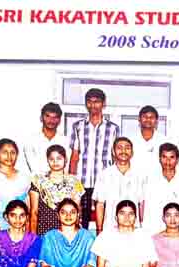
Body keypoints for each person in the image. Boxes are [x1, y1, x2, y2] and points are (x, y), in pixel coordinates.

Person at [69, 88, 121, 229]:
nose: (93, 105)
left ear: (103, 104)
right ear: (86, 104)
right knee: (80, 220)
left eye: (97, 101)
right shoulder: (78, 126)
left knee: (105, 220)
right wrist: (71, 182)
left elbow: (116, 156)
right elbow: (74, 156)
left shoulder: (113, 128)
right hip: (82, 182)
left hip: (104, 180)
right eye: (90, 102)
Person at [28, 145, 84, 236]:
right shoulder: (38, 181)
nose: (55, 162)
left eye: (59, 158)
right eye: (51, 159)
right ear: (47, 161)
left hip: (67, 234)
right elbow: (34, 212)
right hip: (43, 233)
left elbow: (77, 212)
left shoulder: (74, 182)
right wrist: (33, 238)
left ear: (65, 160)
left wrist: (75, 236)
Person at [92, 137, 144, 233]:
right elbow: (100, 204)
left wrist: (142, 227)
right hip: (110, 229)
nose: (123, 151)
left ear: (132, 152)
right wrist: (99, 230)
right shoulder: (104, 175)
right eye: (120, 148)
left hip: (134, 229)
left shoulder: (140, 175)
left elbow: (142, 204)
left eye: (127, 148)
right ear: (113, 151)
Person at [141, 143, 179, 234]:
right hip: (155, 231)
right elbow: (143, 206)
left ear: (177, 160)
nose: (168, 161)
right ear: (159, 159)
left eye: (171, 157)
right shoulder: (150, 181)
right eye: (164, 157)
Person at [0, 138, 31, 233]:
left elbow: (27, 209)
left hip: (18, 232)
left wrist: (26, 236)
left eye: (13, 152)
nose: (9, 156)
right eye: (4, 152)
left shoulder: (24, 178)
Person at [24, 102, 70, 175]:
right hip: (38, 180)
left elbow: (66, 167)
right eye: (48, 116)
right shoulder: (31, 141)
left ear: (59, 120)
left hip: (60, 180)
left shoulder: (66, 141)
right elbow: (34, 169)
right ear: (41, 118)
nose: (51, 120)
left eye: (55, 117)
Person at [131, 105, 174, 175]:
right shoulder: (130, 140)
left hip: (157, 179)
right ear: (139, 119)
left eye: (151, 117)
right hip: (134, 179)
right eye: (145, 117)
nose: (148, 119)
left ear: (156, 121)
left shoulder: (165, 141)